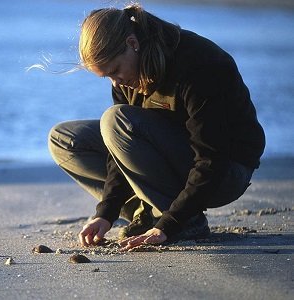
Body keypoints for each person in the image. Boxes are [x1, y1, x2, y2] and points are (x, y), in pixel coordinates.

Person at [48, 4, 265, 251]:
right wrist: (106, 212)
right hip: (176, 160)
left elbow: (211, 158)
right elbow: (119, 151)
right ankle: (144, 212)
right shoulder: (125, 77)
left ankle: (186, 219)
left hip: (226, 172)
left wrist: (172, 223)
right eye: (107, 77)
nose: (115, 82)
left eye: (115, 70)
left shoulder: (199, 64)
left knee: (116, 120)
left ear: (132, 43)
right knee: (63, 139)